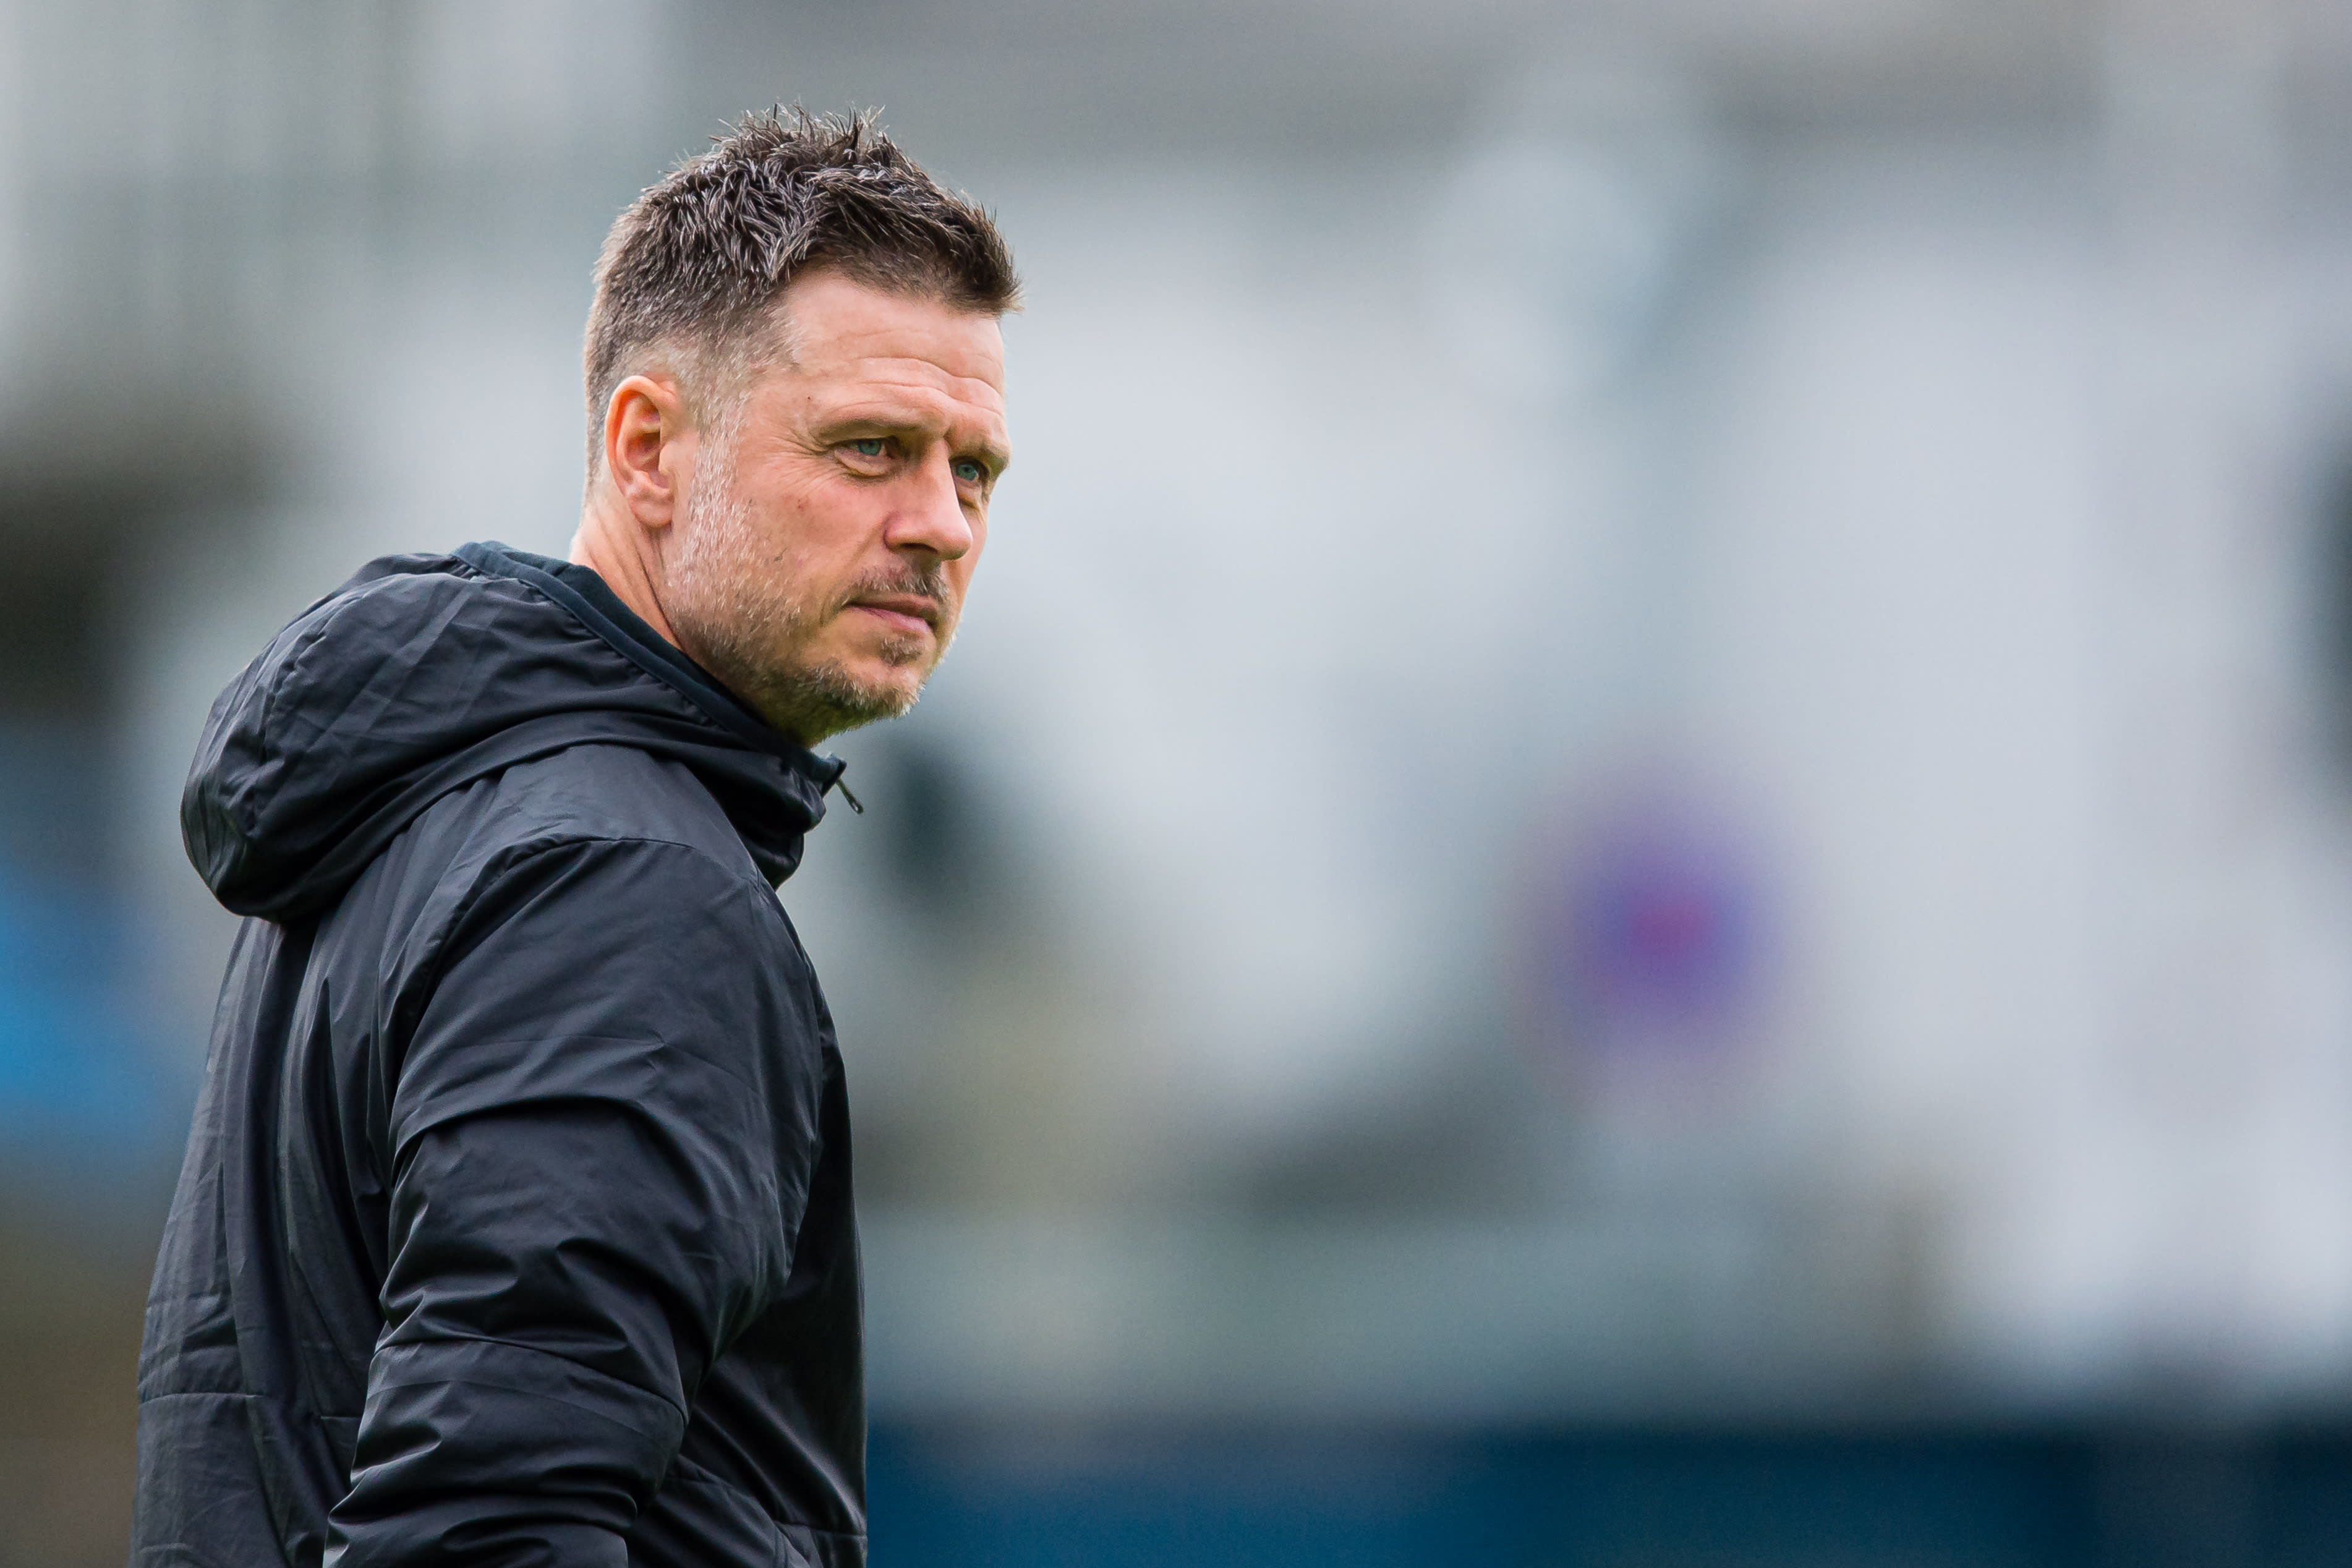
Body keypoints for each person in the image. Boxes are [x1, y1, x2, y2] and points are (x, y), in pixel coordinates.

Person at [130, 108, 1018, 1568]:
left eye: (974, 470)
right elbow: (486, 1530)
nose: (942, 524)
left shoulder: (437, 810)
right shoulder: (618, 883)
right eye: (872, 448)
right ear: (648, 446)